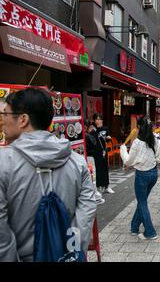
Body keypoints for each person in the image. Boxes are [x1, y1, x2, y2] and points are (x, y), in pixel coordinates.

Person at [0, 88, 96, 261]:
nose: (2, 121)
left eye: (4, 114)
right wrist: (72, 250)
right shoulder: (77, 161)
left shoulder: (3, 162)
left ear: (23, 119)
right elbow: (87, 211)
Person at [120, 117, 160, 240]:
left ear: (139, 127)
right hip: (154, 174)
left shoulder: (137, 143)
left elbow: (128, 162)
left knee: (142, 202)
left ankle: (150, 232)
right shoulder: (155, 140)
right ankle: (134, 227)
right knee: (142, 201)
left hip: (142, 176)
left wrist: (123, 150)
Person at [90, 114, 114, 194]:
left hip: (104, 151)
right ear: (94, 120)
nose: (99, 121)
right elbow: (93, 140)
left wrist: (108, 138)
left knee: (105, 168)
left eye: (100, 119)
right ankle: (98, 186)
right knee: (98, 169)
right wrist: (97, 129)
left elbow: (106, 139)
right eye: (97, 119)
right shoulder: (93, 130)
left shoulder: (105, 128)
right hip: (96, 152)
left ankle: (106, 186)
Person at [85, 119, 105, 205]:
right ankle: (95, 198)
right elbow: (94, 143)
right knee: (92, 176)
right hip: (89, 157)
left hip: (86, 157)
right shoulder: (88, 135)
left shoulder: (85, 135)